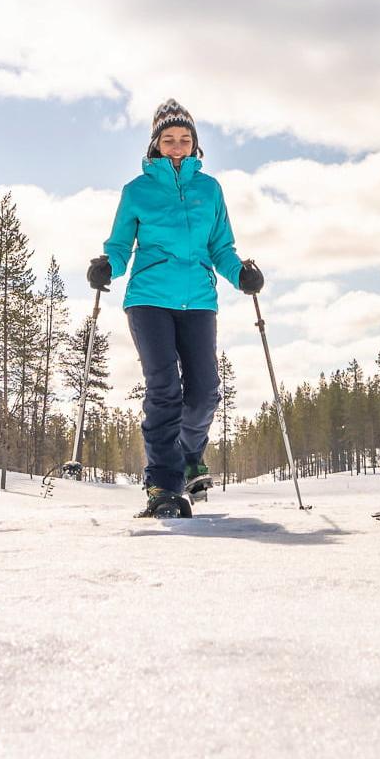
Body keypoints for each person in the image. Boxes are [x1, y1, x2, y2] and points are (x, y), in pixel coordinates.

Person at [88, 100, 262, 519]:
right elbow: (119, 245)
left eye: (185, 139)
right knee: (164, 388)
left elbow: (221, 246)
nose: (178, 146)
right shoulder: (137, 190)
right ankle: (163, 485)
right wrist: (108, 264)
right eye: (169, 140)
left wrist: (239, 274)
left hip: (198, 300)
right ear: (156, 144)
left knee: (204, 392)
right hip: (149, 298)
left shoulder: (210, 189)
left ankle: (187, 456)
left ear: (195, 144)